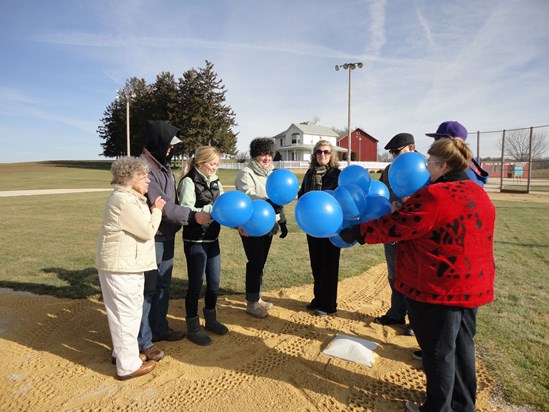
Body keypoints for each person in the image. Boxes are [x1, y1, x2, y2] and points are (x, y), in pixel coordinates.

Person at [340, 138, 496, 412]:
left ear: (444, 165)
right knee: (461, 348)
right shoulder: (477, 191)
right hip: (472, 287)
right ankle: (462, 405)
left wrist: (359, 232)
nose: (426, 167)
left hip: (438, 288)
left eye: (430, 163)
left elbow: (398, 226)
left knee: (438, 353)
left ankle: (437, 408)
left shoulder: (434, 195)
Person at [138, 120, 211, 360]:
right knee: (148, 289)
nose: (171, 149)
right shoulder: (144, 168)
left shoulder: (163, 166)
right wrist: (192, 215)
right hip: (152, 237)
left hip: (167, 235)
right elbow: (163, 205)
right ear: (158, 141)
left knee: (162, 285)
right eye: (169, 145)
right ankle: (144, 341)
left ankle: (159, 328)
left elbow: (174, 199)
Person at [96, 157, 166, 380]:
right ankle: (128, 366)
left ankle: (122, 354)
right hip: (122, 267)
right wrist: (157, 211)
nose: (148, 180)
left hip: (122, 264)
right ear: (128, 178)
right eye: (142, 176)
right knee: (127, 314)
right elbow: (146, 231)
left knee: (122, 313)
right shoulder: (124, 200)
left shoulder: (128, 197)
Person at [177, 146, 228, 345]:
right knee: (196, 284)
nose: (215, 168)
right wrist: (212, 208)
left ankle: (211, 319)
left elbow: (226, 205)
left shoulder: (217, 182)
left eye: (217, 164)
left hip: (212, 240)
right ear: (200, 163)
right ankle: (192, 326)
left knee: (214, 284)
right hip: (195, 241)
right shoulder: (189, 181)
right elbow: (186, 209)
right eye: (212, 164)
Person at [235, 137, 288, 318]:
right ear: (255, 155)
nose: (266, 158)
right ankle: (251, 303)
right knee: (255, 263)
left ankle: (256, 297)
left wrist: (282, 220)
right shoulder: (246, 173)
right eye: (262, 154)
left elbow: (279, 199)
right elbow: (248, 195)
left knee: (261, 263)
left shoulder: (273, 174)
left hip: (269, 225)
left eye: (269, 154)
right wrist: (268, 203)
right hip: (251, 225)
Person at [374, 133, 416, 335]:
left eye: (397, 151)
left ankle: (416, 322)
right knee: (394, 274)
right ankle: (397, 313)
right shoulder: (389, 170)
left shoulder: (424, 168)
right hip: (392, 231)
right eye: (391, 153)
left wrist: (401, 204)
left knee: (415, 277)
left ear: (411, 148)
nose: (393, 156)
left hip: (415, 233)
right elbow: (381, 194)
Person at [297, 140, 341, 317]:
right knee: (316, 264)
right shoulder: (309, 174)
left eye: (326, 152)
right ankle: (318, 298)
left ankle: (329, 304)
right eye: (319, 152)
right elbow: (302, 196)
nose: (323, 155)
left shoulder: (337, 175)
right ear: (314, 155)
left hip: (331, 228)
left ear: (332, 155)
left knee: (329, 266)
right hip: (312, 227)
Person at [426, 120, 489, 186]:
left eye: (437, 138)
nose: (434, 143)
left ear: (451, 141)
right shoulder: (467, 164)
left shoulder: (462, 172)